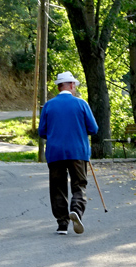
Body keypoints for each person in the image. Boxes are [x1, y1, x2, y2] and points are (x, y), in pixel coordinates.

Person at [38, 71, 98, 235]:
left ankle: (62, 224)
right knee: (79, 184)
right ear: (71, 85)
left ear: (59, 86)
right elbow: (93, 129)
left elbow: (42, 131)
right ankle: (76, 211)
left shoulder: (49, 105)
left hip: (55, 152)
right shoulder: (81, 104)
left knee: (58, 187)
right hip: (78, 151)